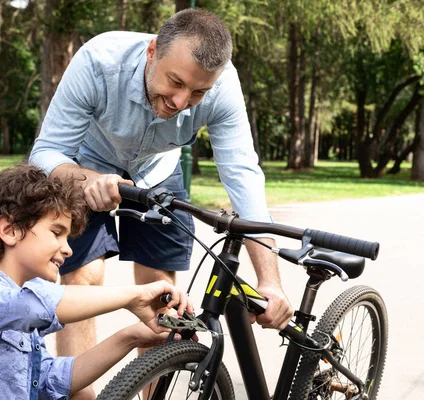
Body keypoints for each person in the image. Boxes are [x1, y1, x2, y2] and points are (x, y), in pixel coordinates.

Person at [29, 7, 293, 375]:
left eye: (198, 91)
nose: (181, 102)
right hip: (85, 165)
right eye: (175, 82)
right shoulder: (98, 61)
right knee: (83, 278)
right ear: (152, 51)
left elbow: (244, 178)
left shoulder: (223, 88)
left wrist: (270, 280)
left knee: (162, 296)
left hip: (159, 170)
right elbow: (45, 154)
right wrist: (89, 179)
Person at [0, 164, 193, 400]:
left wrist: (130, 337)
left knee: (81, 394)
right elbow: (32, 306)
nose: (67, 249)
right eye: (56, 232)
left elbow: (52, 378)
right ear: (10, 229)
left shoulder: (19, 305)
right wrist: (132, 296)